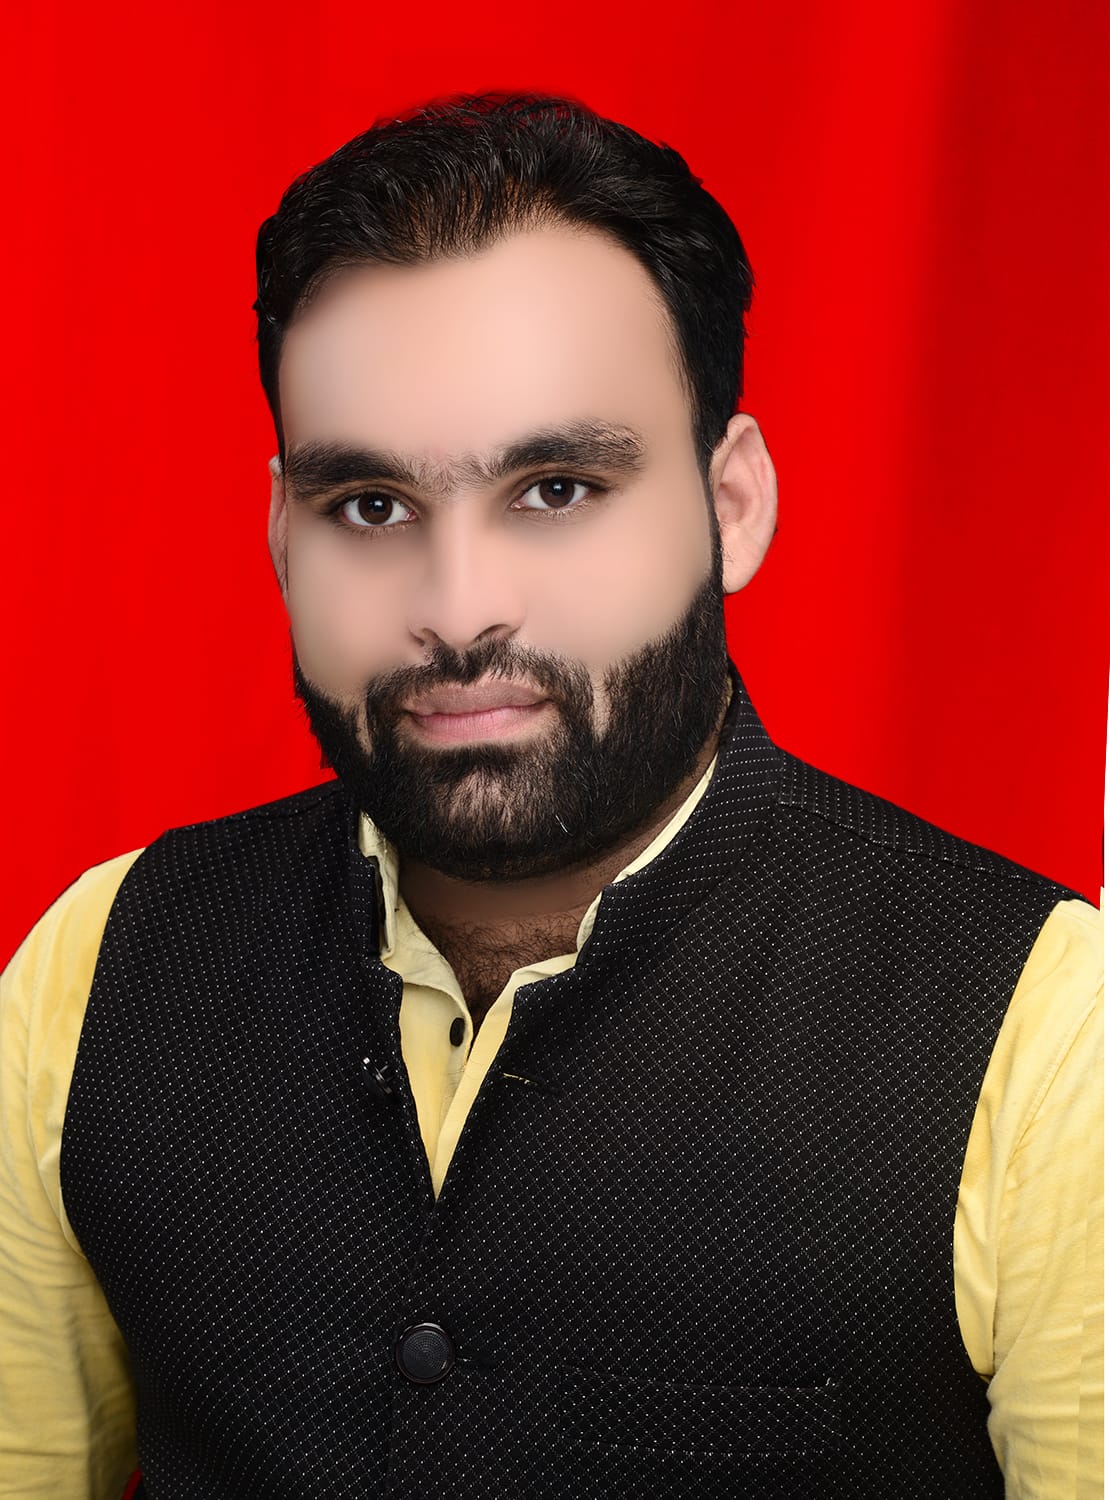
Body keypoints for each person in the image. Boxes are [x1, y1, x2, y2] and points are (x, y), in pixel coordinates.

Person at [0, 93, 1101, 1500]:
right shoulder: (98, 967)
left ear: (732, 506)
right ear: (281, 533)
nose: (459, 609)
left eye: (557, 488)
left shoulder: (1045, 1035)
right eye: (371, 506)